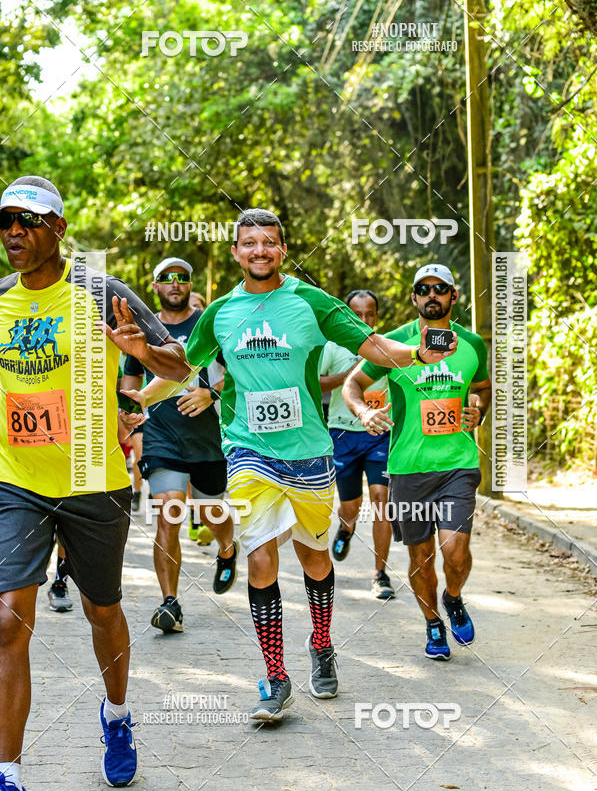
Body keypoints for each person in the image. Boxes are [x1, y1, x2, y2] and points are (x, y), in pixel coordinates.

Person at [138, 210, 457, 722]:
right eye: (249, 243)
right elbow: (183, 367)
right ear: (236, 252)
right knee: (261, 556)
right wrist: (139, 401)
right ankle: (275, 676)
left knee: (314, 558)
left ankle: (322, 643)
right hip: (248, 450)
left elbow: (372, 346)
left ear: (282, 250)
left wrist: (416, 353)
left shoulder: (311, 301)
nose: (259, 251)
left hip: (308, 451)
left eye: (269, 242)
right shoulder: (219, 312)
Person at [0, 175, 189, 791]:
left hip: (93, 480)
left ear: (58, 229)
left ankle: (116, 715)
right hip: (17, 481)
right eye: (5, 222)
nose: (14, 232)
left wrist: (141, 353)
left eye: (28, 221)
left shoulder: (100, 291)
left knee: (101, 611)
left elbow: (178, 366)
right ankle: (8, 775)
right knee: (7, 620)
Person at [343, 263, 491, 661]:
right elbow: (352, 384)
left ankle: (453, 597)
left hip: (458, 464)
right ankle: (432, 623)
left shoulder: (472, 344)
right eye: (423, 289)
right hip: (408, 469)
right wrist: (363, 412)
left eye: (440, 288)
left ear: (453, 296)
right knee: (420, 559)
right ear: (413, 297)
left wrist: (479, 409)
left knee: (455, 553)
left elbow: (483, 388)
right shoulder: (393, 344)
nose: (432, 295)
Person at [121, 257, 237, 634]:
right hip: (161, 435)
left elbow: (239, 371)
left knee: (211, 512)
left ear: (190, 284)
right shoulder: (144, 328)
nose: (175, 283)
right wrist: (128, 419)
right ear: (155, 285)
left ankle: (227, 549)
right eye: (167, 278)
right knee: (169, 512)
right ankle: (170, 602)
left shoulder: (209, 323)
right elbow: (130, 381)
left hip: (207, 437)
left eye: (182, 277)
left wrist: (210, 393)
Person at [319, 289, 394, 599]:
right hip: (342, 434)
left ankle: (380, 574)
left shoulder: (387, 347)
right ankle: (346, 528)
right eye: (357, 314)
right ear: (347, 316)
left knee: (381, 499)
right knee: (350, 507)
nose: (364, 319)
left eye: (369, 314)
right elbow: (315, 383)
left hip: (379, 433)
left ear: (377, 317)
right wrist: (349, 376)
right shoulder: (333, 346)